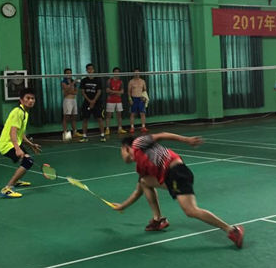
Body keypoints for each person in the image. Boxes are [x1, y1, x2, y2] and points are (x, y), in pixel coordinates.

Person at [114, 134, 244, 248]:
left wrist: (186, 140)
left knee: (191, 210)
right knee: (144, 182)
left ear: (126, 148)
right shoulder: (141, 166)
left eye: (121, 152)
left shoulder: (138, 143)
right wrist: (122, 206)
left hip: (177, 172)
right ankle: (158, 219)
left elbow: (162, 135)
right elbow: (139, 191)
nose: (122, 156)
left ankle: (232, 230)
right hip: (169, 177)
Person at [0, 88, 41, 198]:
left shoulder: (24, 113)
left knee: (26, 161)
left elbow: (20, 134)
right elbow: (12, 132)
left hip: (14, 142)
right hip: (7, 144)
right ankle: (7, 188)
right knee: (28, 161)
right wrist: (17, 149)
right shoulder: (18, 112)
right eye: (28, 98)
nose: (31, 100)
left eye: (32, 98)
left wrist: (31, 144)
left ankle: (17, 181)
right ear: (21, 100)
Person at [79, 63, 105, 142]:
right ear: (86, 70)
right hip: (87, 102)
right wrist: (89, 101)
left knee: (99, 118)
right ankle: (84, 136)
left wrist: (93, 101)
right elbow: (83, 92)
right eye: (88, 69)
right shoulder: (84, 80)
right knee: (85, 119)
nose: (90, 70)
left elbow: (99, 91)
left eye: (91, 69)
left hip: (97, 102)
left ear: (93, 70)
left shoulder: (98, 80)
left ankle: (102, 136)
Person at [104, 67, 126, 135]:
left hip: (118, 101)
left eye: (118, 72)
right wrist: (117, 92)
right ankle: (107, 129)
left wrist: (113, 92)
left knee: (119, 115)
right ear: (113, 73)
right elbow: (107, 90)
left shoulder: (121, 82)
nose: (117, 73)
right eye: (115, 71)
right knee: (109, 115)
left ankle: (120, 128)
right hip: (110, 101)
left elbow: (122, 92)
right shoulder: (109, 81)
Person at [127, 69, 148, 133]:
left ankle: (143, 127)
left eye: (138, 73)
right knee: (133, 113)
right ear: (133, 73)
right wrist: (130, 99)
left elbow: (144, 90)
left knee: (142, 113)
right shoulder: (131, 81)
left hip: (141, 99)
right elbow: (129, 91)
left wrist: (144, 97)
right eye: (135, 73)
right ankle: (132, 127)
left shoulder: (142, 81)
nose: (137, 74)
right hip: (134, 99)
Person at [61, 68, 78, 141]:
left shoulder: (72, 81)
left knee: (74, 116)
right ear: (65, 74)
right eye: (67, 73)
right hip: (67, 100)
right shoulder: (63, 82)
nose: (69, 74)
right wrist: (72, 85)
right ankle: (65, 133)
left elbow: (75, 92)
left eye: (70, 73)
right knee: (66, 117)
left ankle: (75, 132)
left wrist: (69, 90)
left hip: (74, 100)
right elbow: (66, 91)